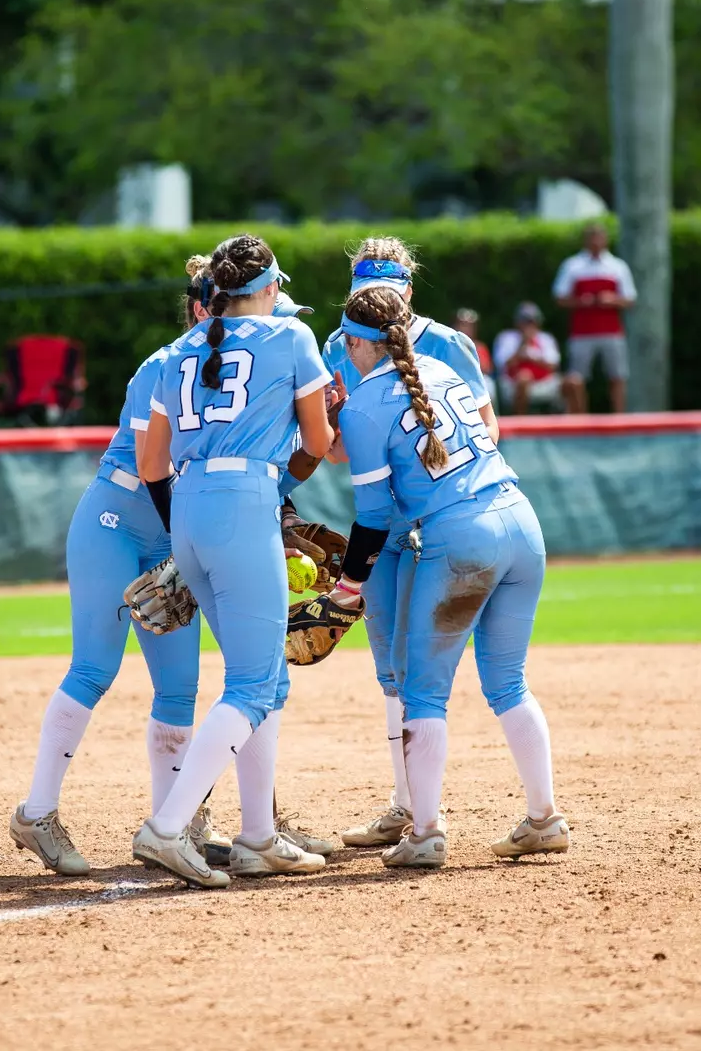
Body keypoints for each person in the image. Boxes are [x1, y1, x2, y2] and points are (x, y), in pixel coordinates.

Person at [328, 284, 566, 869]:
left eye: (347, 342)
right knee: (508, 683)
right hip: (521, 522)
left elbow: (374, 518)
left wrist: (349, 583)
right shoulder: (439, 367)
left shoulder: (362, 406)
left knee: (422, 692)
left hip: (462, 540)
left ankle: (426, 831)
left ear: (359, 343)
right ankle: (544, 818)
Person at [132, 233, 336, 888]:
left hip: (189, 505)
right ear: (270, 286)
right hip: (245, 498)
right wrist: (275, 489)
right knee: (252, 684)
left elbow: (150, 464)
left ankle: (256, 837)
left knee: (266, 680)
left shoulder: (176, 352)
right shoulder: (292, 339)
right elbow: (318, 439)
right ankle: (167, 828)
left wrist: (191, 533)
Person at [9, 260, 218, 878]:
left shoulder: (240, 366)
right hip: (116, 524)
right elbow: (158, 466)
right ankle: (36, 814)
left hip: (170, 537)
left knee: (179, 687)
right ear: (203, 309)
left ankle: (169, 825)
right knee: (95, 667)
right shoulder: (162, 365)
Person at [317, 236, 499, 850]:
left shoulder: (448, 343)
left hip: (437, 521)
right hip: (382, 527)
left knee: (434, 671)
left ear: (410, 293)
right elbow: (339, 452)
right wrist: (338, 418)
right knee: (390, 671)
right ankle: (406, 804)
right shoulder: (340, 343)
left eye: (388, 289)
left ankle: (424, 815)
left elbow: (486, 430)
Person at [552, 222, 636, 414]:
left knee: (617, 376)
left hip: (612, 332)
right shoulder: (573, 266)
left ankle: (620, 418)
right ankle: (579, 419)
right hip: (582, 332)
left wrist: (612, 300)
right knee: (577, 379)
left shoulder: (617, 266)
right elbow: (560, 298)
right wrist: (582, 302)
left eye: (600, 237)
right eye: (593, 238)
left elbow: (629, 299)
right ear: (587, 241)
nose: (597, 242)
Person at [492, 303, 563, 415]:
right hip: (513, 383)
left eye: (532, 321)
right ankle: (520, 426)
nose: (528, 325)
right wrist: (523, 344)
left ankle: (578, 428)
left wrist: (534, 359)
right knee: (524, 377)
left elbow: (553, 365)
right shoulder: (506, 338)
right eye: (524, 320)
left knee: (574, 382)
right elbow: (502, 365)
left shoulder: (546, 338)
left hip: (544, 382)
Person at [452, 308, 494, 379]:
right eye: (463, 324)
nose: (466, 328)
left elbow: (487, 369)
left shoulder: (480, 347)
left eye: (470, 326)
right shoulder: (449, 344)